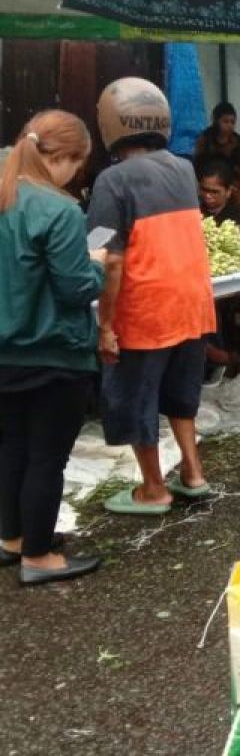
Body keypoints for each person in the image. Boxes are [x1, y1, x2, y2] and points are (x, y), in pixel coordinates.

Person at [88, 78, 217, 515]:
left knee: (137, 399)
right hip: (192, 304)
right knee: (182, 394)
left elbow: (108, 259)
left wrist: (105, 325)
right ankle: (194, 474)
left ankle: (154, 488)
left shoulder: (112, 181)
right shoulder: (182, 168)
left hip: (144, 311)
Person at [0, 111, 105, 585]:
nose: (74, 176)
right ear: (63, 158)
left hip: (4, 353)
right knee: (46, 456)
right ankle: (38, 556)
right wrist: (97, 265)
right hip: (52, 352)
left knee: (11, 448)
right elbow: (74, 289)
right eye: (76, 165)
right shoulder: (58, 210)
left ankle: (13, 538)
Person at [193, 101, 240, 165]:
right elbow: (197, 164)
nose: (229, 125)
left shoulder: (239, 141)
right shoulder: (205, 139)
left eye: (232, 122)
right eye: (225, 121)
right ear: (216, 121)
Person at [197, 158, 240, 225]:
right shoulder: (192, 212)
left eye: (214, 192)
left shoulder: (237, 219)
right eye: (204, 190)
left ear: (229, 191)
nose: (207, 195)